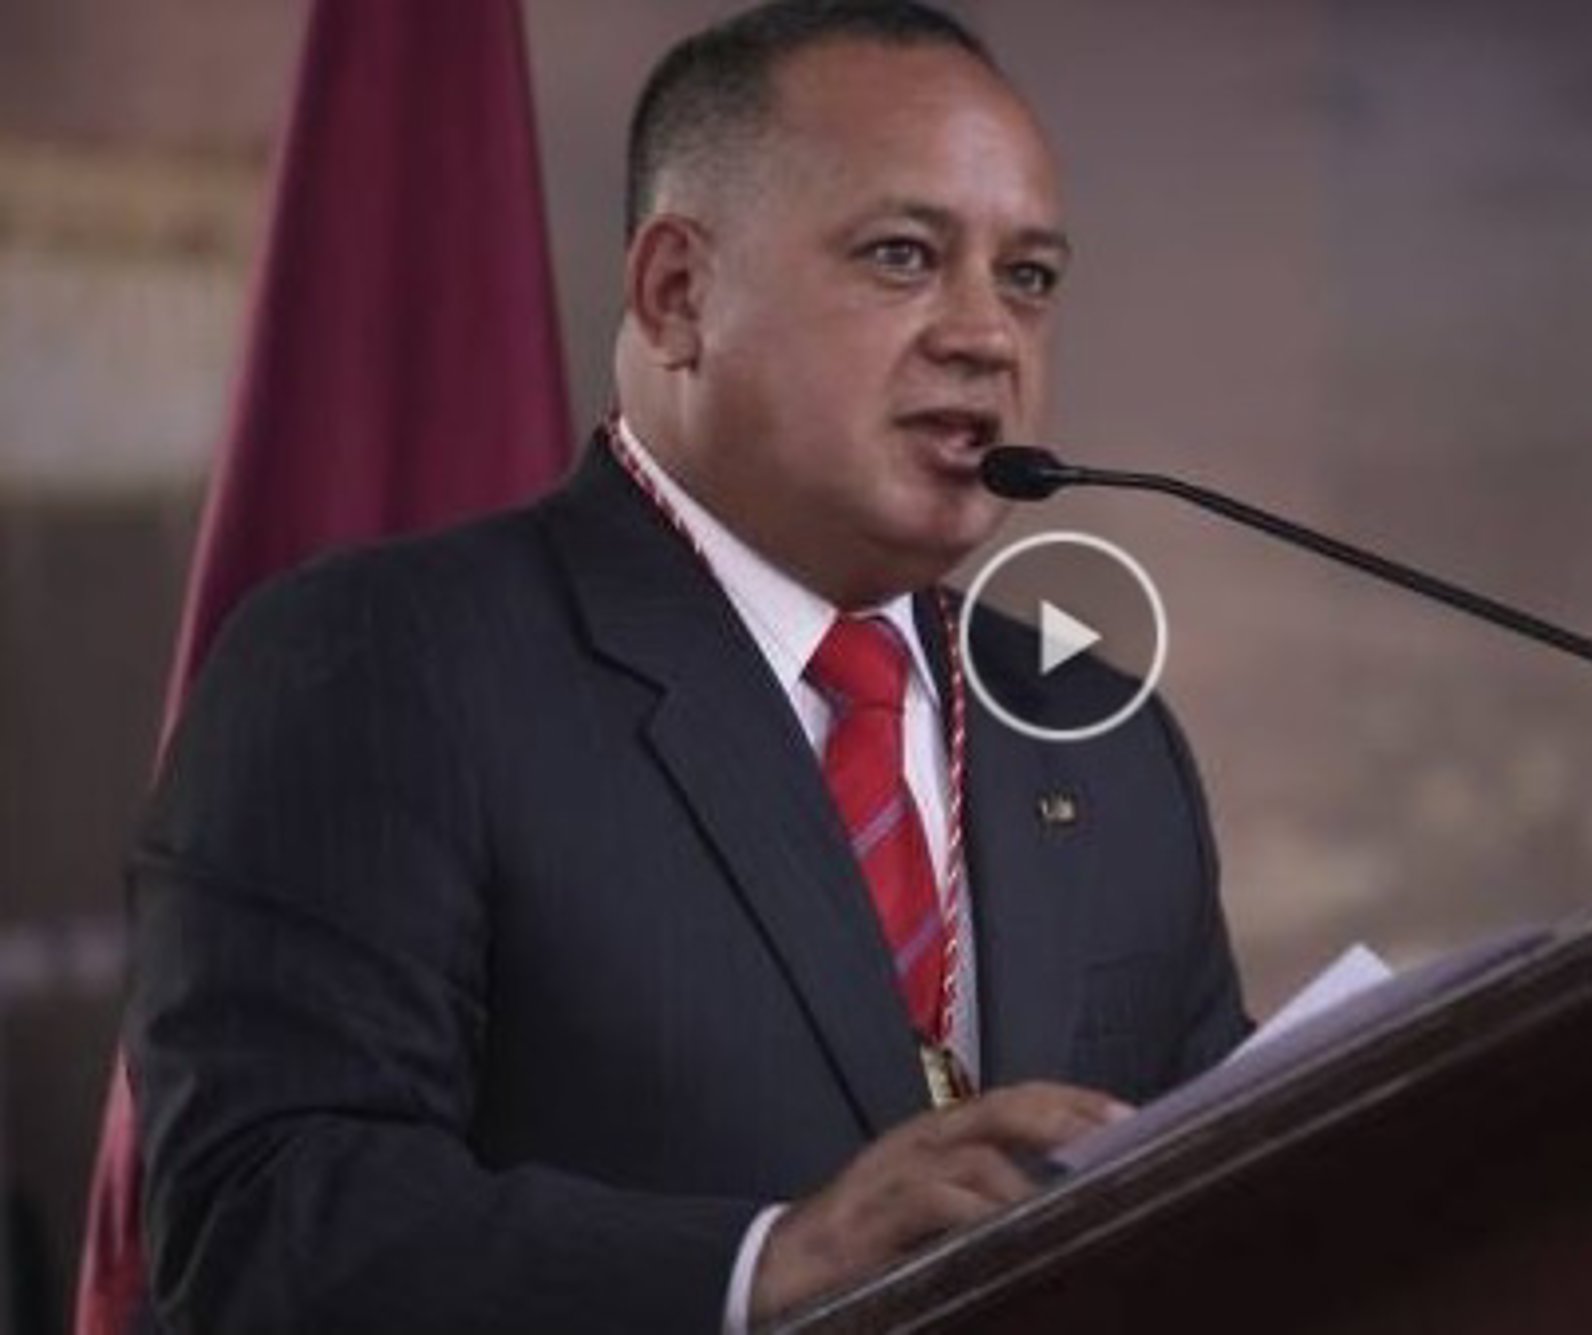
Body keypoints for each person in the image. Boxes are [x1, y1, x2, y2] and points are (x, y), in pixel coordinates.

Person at [127, 3, 1248, 1330]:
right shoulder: (385, 665)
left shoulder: (1099, 734)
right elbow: (259, 1231)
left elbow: (1237, 1193)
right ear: (677, 294)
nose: (988, 335)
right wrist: (763, 1265)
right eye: (903, 256)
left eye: (1030, 278)